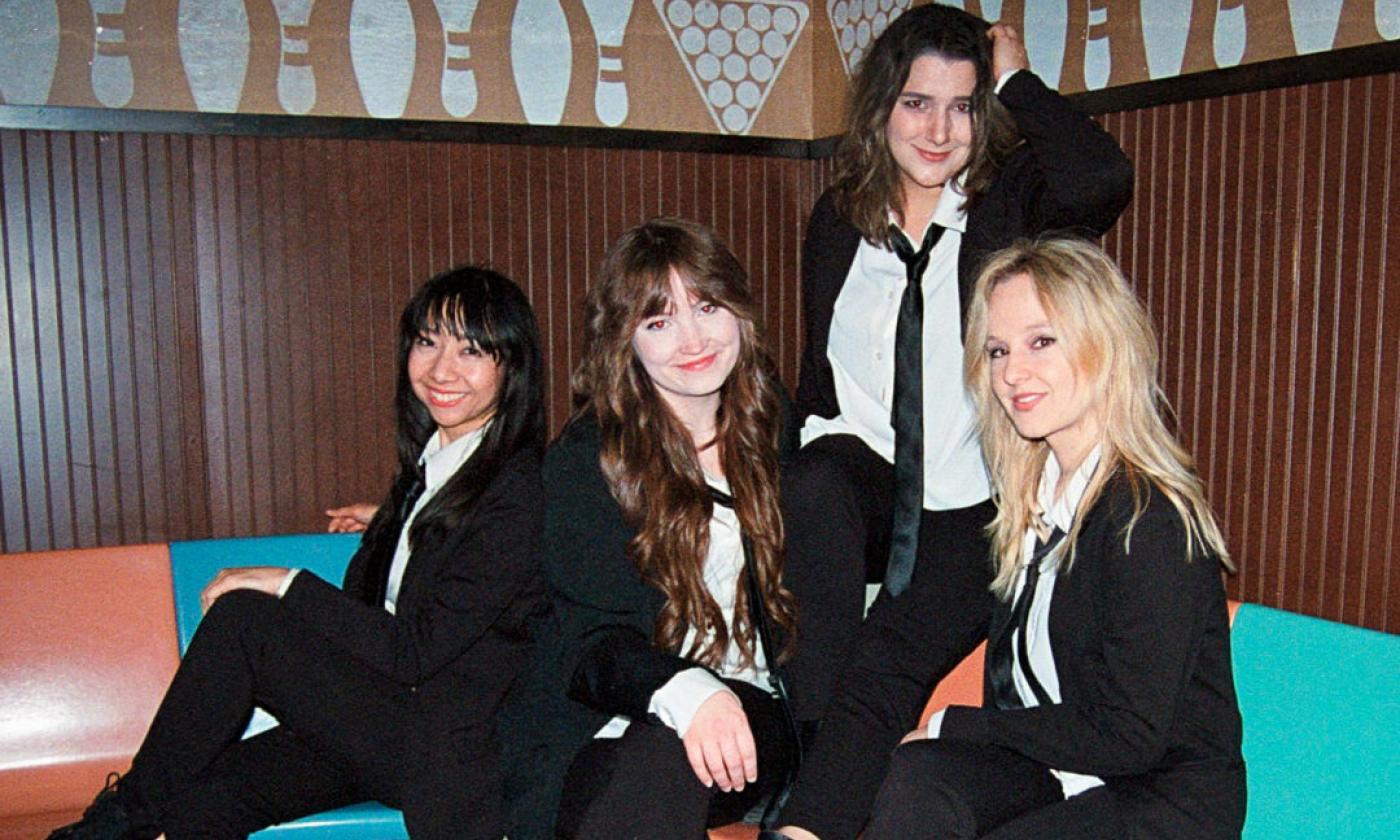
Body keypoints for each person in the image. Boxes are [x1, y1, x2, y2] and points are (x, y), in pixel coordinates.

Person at [768, 5, 1134, 836]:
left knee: (888, 656)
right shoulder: (838, 221)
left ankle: (805, 825)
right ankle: (814, 746)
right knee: (812, 482)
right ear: (880, 111)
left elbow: (1103, 178)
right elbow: (818, 374)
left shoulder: (1008, 206)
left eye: (962, 106)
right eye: (915, 103)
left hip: (972, 496)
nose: (937, 130)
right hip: (865, 477)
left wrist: (1015, 77)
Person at [49, 266, 547, 840]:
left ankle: (114, 822)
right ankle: (129, 819)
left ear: (511, 367)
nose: (441, 370)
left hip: (442, 748)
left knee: (244, 621)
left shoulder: (520, 491)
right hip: (380, 719)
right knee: (199, 803)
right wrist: (391, 524)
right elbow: (417, 577)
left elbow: (416, 650)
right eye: (427, 342)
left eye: (471, 351)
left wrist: (287, 582)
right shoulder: (433, 471)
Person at [778, 238, 1247, 839]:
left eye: (1041, 342)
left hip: (1160, 795)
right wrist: (805, 828)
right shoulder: (1020, 509)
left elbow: (1130, 736)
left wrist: (960, 724)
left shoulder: (1149, 518)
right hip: (1057, 774)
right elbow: (895, 653)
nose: (1011, 374)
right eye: (997, 350)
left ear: (1105, 346)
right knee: (919, 776)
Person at [502, 218, 802, 840]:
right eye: (658, 321)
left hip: (754, 713)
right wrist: (685, 690)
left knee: (659, 764)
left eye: (707, 306)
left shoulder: (780, 432)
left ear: (739, 311)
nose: (692, 338)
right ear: (625, 340)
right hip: (609, 714)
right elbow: (590, 640)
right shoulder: (589, 456)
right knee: (616, 788)